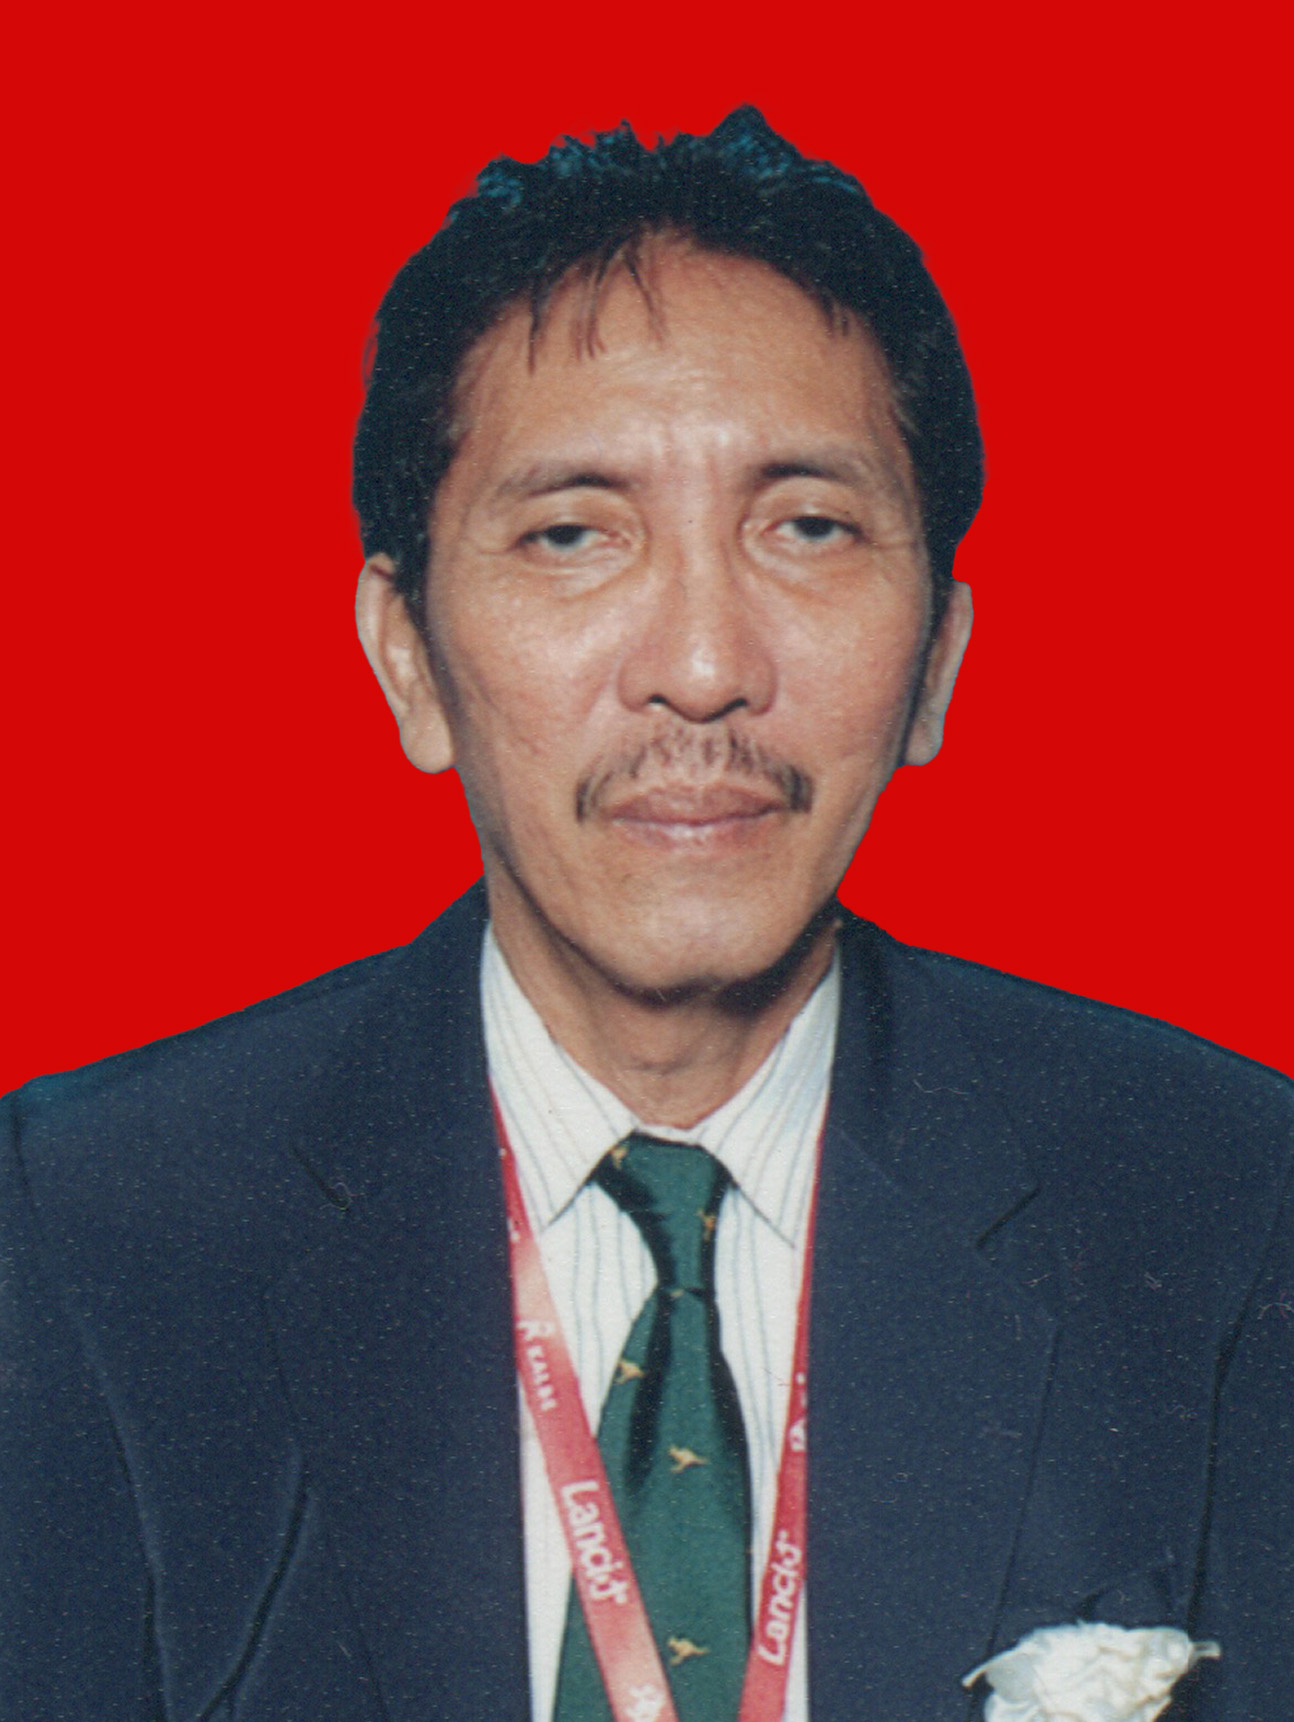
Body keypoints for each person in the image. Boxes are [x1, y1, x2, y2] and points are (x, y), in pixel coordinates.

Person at [2, 108, 1289, 1722]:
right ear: (407, 656)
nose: (700, 665)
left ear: (937, 661)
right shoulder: (90, 1221)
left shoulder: (1224, 1197)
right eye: (571, 534)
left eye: (805, 527)